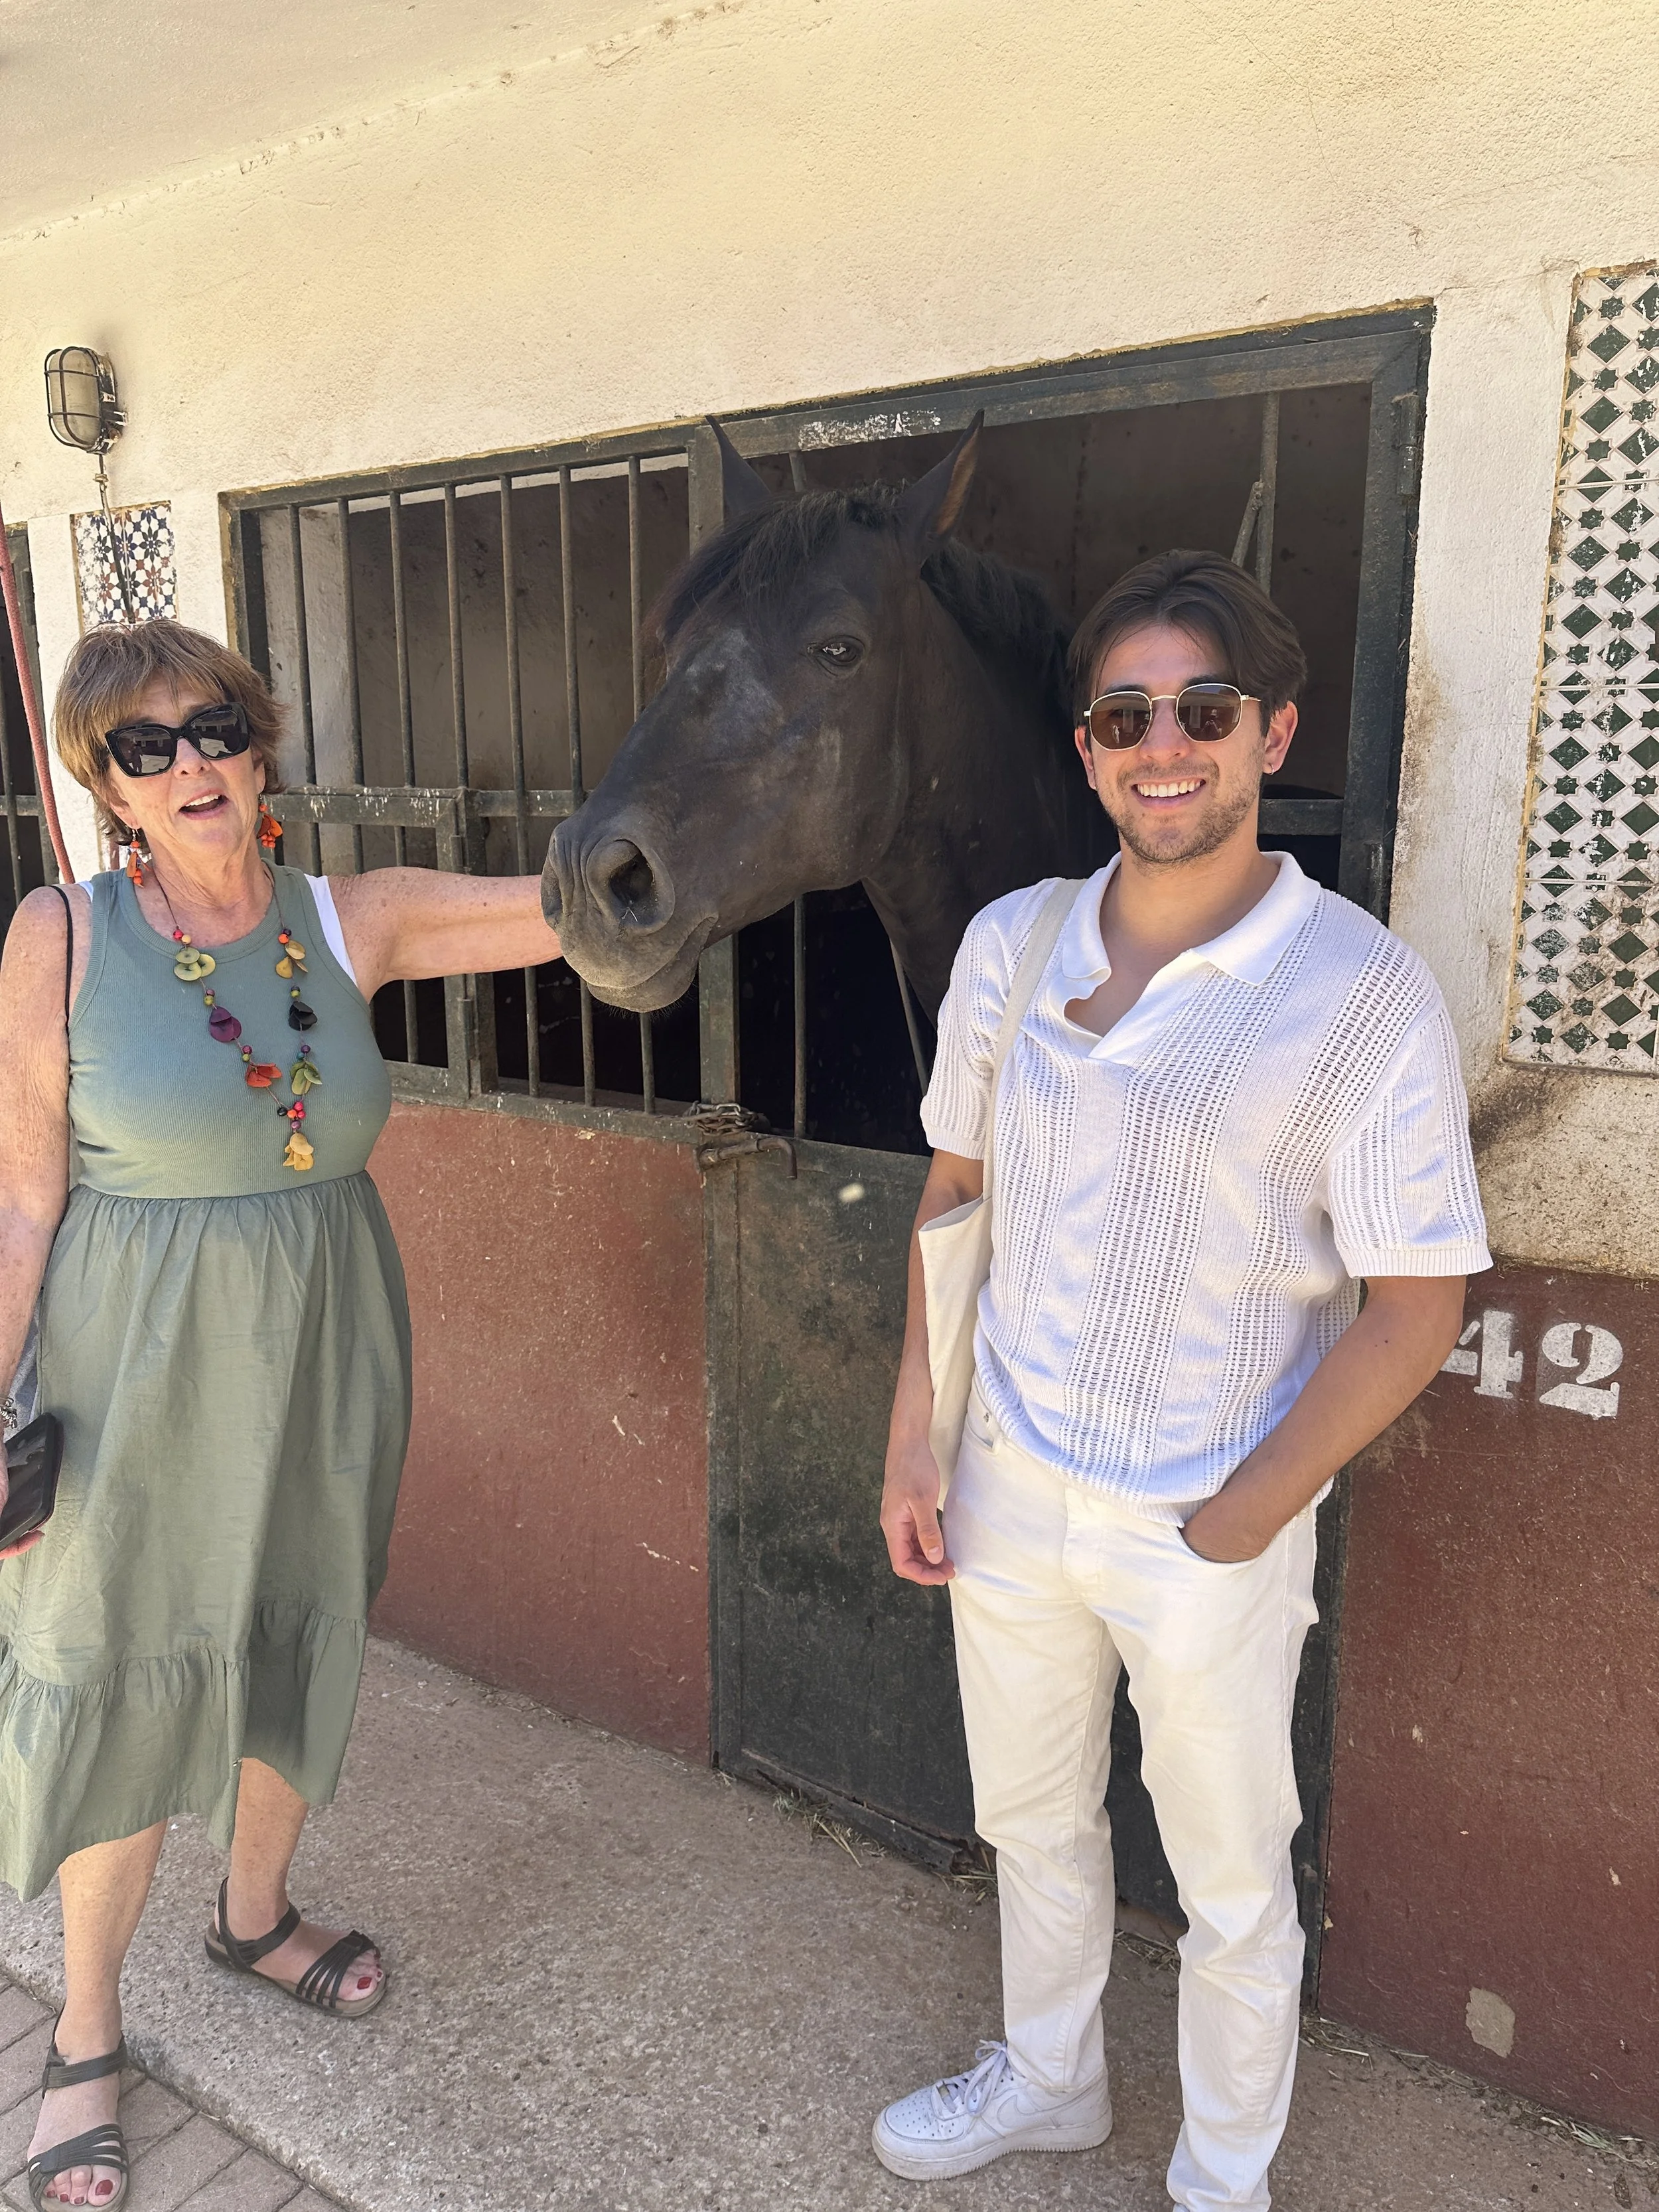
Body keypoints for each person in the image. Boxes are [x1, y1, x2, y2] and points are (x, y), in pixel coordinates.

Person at [872, 550, 1488, 2211]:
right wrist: (915, 1444)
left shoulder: (1357, 993)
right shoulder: (1009, 946)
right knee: (1031, 1819)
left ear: (1268, 733)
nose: (1164, 744)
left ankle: (1222, 2177)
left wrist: (1235, 1521)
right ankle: (1054, 2082)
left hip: (1204, 1508)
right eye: (1125, 713)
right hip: (1002, 1477)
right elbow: (955, 1200)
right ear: (1084, 749)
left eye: (1201, 710)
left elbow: (1414, 1299)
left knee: (1229, 1883)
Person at [0, 619, 566, 2210]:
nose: (189, 761)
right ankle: (86, 2035)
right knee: (117, 1664)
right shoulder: (59, 937)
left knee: (295, 1625)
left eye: (215, 726)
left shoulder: (349, 916)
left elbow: (581, 904)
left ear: (260, 745)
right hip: (128, 1368)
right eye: (143, 744)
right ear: (105, 783)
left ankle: (253, 1915)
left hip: (323, 1343)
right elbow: (23, 1204)